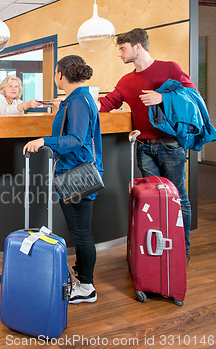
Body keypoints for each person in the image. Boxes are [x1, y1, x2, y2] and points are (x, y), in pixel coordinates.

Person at [97, 28, 195, 264]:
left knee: (178, 196)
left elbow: (193, 96)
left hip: (171, 146)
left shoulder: (169, 68)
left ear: (137, 47)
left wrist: (163, 98)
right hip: (144, 148)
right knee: (155, 199)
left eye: (123, 48)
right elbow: (108, 103)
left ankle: (183, 250)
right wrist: (79, 101)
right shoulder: (126, 81)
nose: (120, 54)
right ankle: (162, 246)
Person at [23, 55, 103, 304]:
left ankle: (87, 287)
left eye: (55, 72)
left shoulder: (78, 101)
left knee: (81, 233)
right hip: (72, 172)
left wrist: (44, 141)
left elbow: (75, 140)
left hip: (77, 174)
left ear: (61, 74)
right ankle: (81, 276)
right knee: (79, 230)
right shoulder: (76, 99)